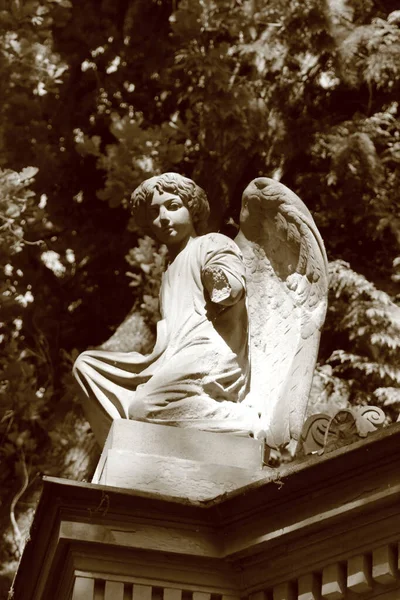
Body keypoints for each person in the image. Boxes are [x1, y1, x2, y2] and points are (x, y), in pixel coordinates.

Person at [73, 173, 261, 446]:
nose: (163, 216)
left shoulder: (211, 244)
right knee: (86, 368)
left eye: (172, 206)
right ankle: (126, 449)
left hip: (209, 351)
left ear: (192, 209)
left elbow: (230, 291)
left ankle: (243, 421)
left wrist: (215, 277)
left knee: (144, 406)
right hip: (172, 355)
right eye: (154, 211)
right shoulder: (169, 270)